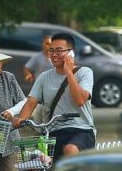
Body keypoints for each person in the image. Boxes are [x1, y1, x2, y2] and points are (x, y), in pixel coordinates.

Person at [12, 33, 95, 161]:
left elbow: (80, 100)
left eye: (59, 50)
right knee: (35, 166)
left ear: (71, 53)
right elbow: (31, 103)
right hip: (52, 132)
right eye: (51, 50)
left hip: (81, 130)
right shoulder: (44, 77)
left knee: (70, 149)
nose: (54, 54)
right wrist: (20, 119)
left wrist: (69, 72)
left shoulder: (85, 72)